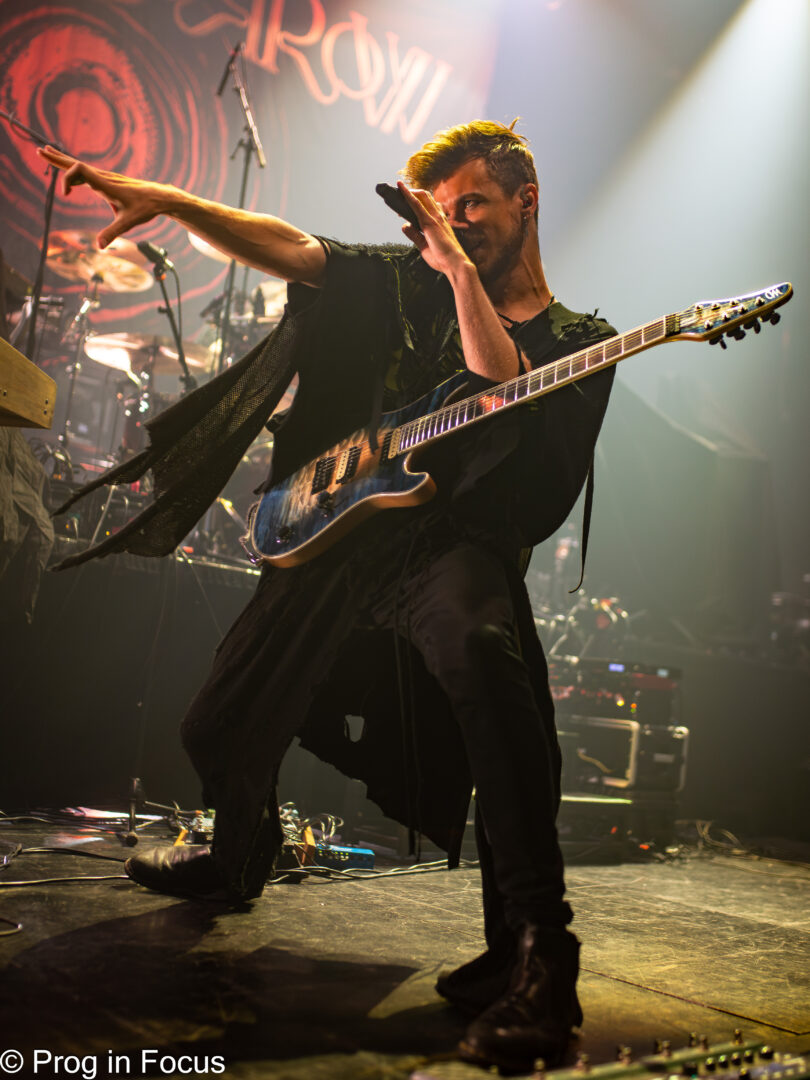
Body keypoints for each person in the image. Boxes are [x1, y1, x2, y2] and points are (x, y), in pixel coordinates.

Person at [38, 121, 616, 1072]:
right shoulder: (408, 282)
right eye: (442, 211)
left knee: (487, 663)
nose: (455, 224)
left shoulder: (580, 341)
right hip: (347, 536)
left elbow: (500, 382)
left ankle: (536, 956)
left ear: (527, 200)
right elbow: (294, 247)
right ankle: (238, 851)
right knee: (215, 720)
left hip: (452, 548)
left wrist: (454, 265)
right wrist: (168, 199)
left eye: (473, 203)